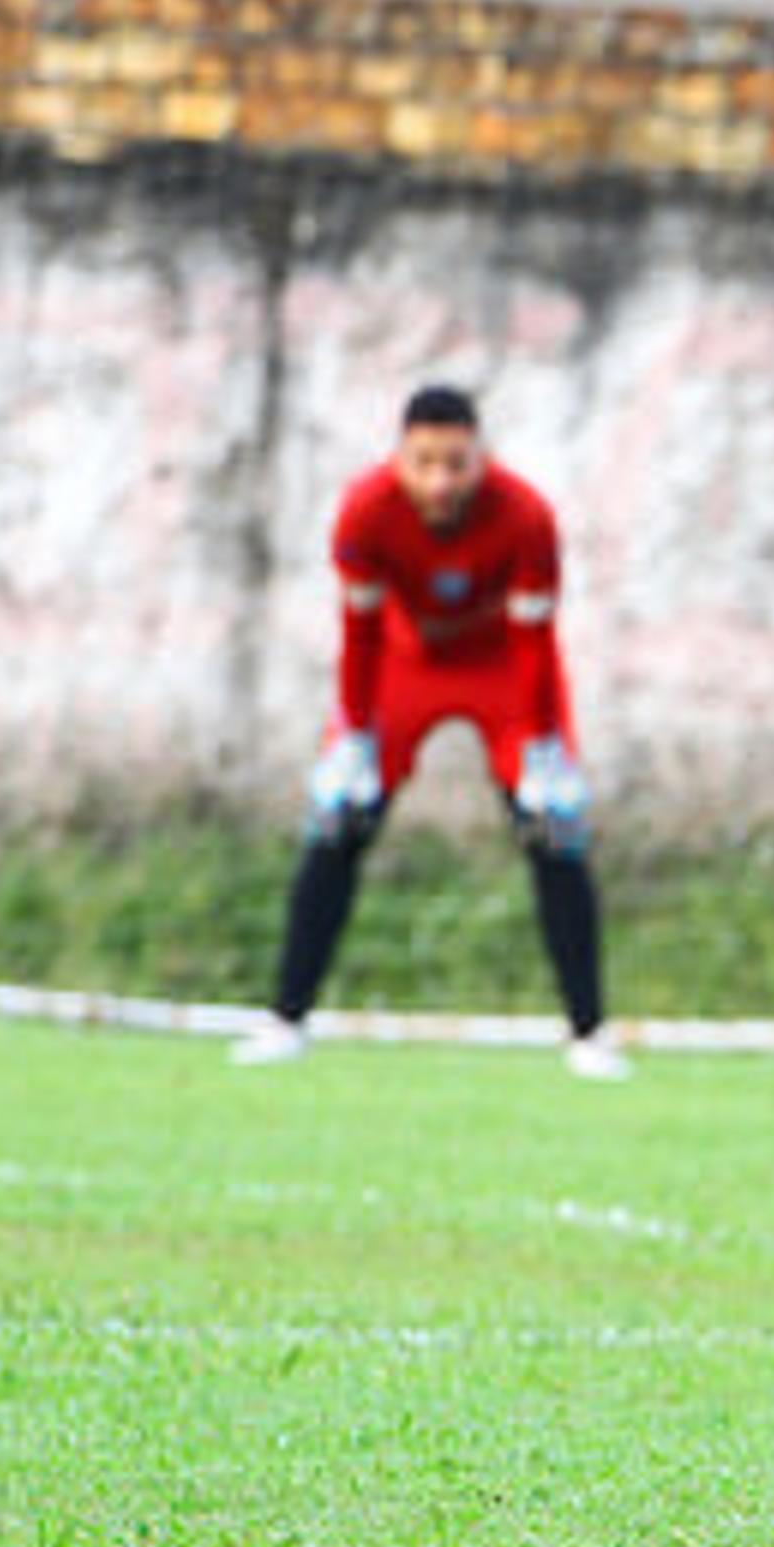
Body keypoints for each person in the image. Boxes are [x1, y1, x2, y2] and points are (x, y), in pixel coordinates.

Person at [230, 385, 625, 1083]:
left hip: (502, 668)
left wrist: (539, 744)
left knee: (554, 828)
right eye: (425, 463)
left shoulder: (527, 515)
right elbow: (359, 628)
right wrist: (354, 731)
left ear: (481, 459)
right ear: (401, 458)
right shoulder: (366, 509)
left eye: (457, 464)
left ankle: (590, 1033)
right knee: (337, 825)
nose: (440, 482)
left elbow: (536, 637)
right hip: (403, 665)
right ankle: (285, 1019)